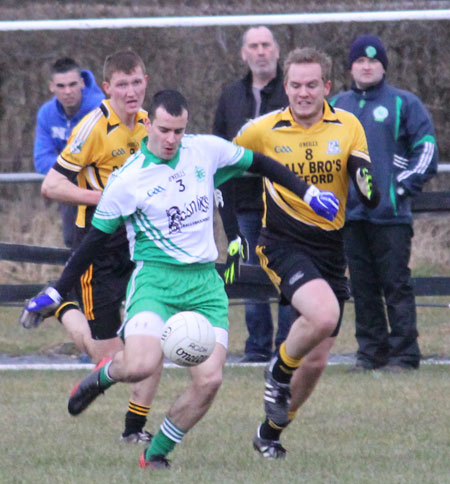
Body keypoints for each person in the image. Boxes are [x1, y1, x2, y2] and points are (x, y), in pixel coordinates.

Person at [23, 89, 340, 470]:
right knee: (139, 365)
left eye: (179, 130)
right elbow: (91, 244)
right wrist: (56, 291)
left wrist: (309, 192)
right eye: (165, 130)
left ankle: (154, 454)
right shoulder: (128, 180)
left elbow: (262, 163)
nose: (172, 139)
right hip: (156, 283)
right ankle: (103, 376)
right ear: (149, 126)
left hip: (205, 286)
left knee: (209, 381)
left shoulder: (204, 150)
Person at [229, 47, 380, 459]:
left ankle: (269, 433)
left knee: (315, 362)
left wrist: (366, 183)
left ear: (327, 87)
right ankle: (277, 372)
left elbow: (361, 168)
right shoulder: (263, 129)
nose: (303, 93)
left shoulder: (348, 124)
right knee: (324, 314)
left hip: (330, 248)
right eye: (295, 85)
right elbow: (222, 160)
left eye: (312, 84)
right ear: (287, 86)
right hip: (280, 242)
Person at [22, 49, 157, 443]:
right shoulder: (92, 128)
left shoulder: (151, 124)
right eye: (122, 84)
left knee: (151, 343)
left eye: (137, 83)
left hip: (142, 244)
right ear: (106, 87)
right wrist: (107, 199)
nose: (131, 91)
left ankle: (134, 429)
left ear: (145, 82)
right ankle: (64, 308)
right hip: (97, 247)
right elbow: (52, 185)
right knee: (110, 355)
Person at [330, 35, 438, 372]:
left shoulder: (404, 103)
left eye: (373, 61)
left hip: (389, 215)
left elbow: (427, 148)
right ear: (351, 67)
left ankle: (405, 354)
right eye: (360, 61)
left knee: (396, 285)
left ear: (383, 67)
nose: (366, 66)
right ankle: (370, 353)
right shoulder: (335, 105)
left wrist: (402, 188)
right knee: (361, 288)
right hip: (350, 215)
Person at [213, 26, 292, 363]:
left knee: (287, 273)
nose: (261, 51)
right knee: (250, 273)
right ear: (243, 54)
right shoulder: (231, 95)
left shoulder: (293, 92)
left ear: (276, 51)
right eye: (254, 46)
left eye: (266, 45)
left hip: (287, 202)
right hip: (245, 203)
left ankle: (288, 347)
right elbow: (218, 147)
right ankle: (258, 347)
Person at [34, 57, 105, 247]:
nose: (68, 91)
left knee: (105, 242)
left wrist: (66, 165)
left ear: (82, 83)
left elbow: (104, 157)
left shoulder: (101, 108)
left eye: (73, 84)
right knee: (72, 240)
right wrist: (75, 166)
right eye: (61, 85)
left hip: (102, 184)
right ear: (51, 87)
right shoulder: (46, 114)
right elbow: (41, 161)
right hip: (69, 186)